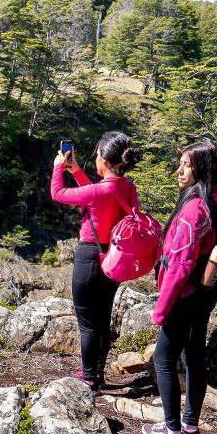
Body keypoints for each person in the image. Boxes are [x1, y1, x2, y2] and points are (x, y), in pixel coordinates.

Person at [142, 141, 217, 434]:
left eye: (186, 165)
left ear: (202, 169)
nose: (180, 170)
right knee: (195, 357)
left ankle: (172, 429)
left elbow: (179, 266)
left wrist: (161, 309)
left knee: (163, 359)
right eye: (181, 163)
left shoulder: (194, 208)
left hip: (184, 297)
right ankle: (190, 425)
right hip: (203, 295)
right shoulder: (215, 201)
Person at [51, 131, 143, 390]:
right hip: (114, 258)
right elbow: (95, 195)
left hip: (90, 256)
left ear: (104, 159)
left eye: (97, 154)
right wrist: (77, 171)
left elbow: (58, 193)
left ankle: (89, 377)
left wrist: (59, 167)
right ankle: (97, 374)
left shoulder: (99, 190)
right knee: (102, 320)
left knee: (87, 324)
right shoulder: (127, 186)